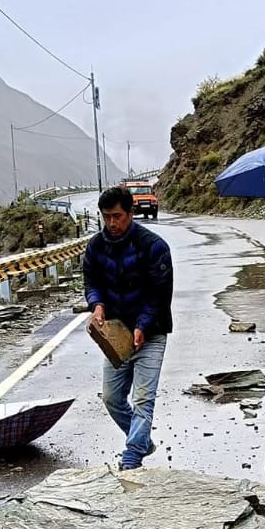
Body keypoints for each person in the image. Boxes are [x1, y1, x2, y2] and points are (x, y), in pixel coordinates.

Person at [82, 184, 173, 471]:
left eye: (117, 216)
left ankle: (132, 456)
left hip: (152, 332)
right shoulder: (95, 247)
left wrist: (144, 326)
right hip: (116, 334)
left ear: (131, 213)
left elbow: (160, 295)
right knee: (112, 398)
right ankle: (143, 441)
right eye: (106, 216)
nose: (112, 223)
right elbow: (91, 283)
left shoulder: (154, 247)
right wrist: (97, 305)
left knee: (144, 398)